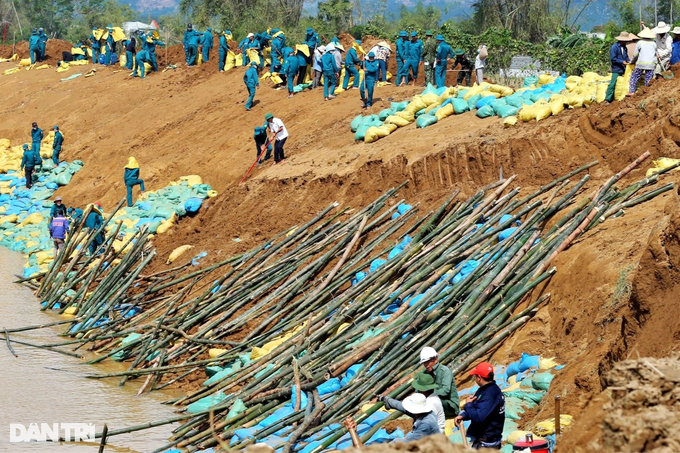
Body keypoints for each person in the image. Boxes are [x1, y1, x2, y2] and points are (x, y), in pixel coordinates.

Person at [454, 362, 505, 450]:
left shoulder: (490, 394)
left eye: (475, 376)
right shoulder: (484, 390)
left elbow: (478, 417)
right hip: (483, 440)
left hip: (488, 443)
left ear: (479, 378)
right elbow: (478, 407)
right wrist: (463, 415)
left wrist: (468, 404)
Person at [419, 347, 460, 418]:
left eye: (427, 362)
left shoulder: (445, 371)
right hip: (434, 403)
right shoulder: (425, 373)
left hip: (449, 405)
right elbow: (418, 387)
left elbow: (445, 391)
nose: (426, 365)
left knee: (433, 400)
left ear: (435, 359)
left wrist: (429, 393)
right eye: (424, 363)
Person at [628, 27, 657, 95]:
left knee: (634, 77)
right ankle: (646, 93)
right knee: (648, 79)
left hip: (641, 64)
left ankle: (631, 92)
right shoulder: (654, 43)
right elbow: (656, 54)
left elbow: (635, 54)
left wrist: (632, 61)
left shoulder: (640, 43)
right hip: (651, 64)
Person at [604, 32, 632, 103]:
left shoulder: (625, 48)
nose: (626, 42)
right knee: (613, 83)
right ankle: (607, 99)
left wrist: (629, 61)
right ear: (621, 40)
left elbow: (626, 57)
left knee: (623, 83)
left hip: (623, 68)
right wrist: (622, 62)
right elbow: (613, 58)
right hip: (616, 68)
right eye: (625, 41)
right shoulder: (614, 47)